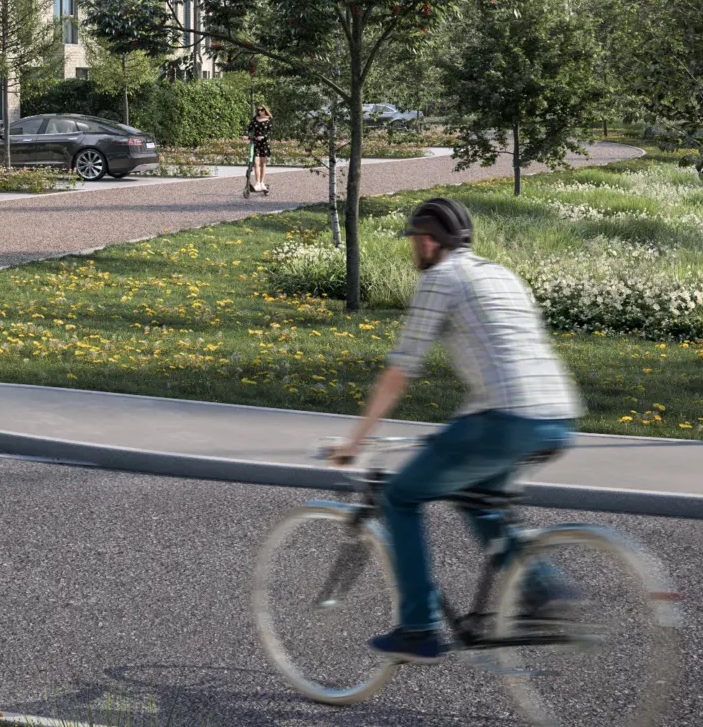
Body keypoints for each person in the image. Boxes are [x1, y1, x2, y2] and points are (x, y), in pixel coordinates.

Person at [325, 197, 582, 660]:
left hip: (504, 420)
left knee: (400, 496)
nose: (412, 251)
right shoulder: (502, 275)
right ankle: (543, 589)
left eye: (414, 241)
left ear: (428, 240)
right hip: (558, 416)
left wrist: (353, 442)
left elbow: (401, 370)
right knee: (478, 499)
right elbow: (502, 357)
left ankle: (418, 628)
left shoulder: (440, 279)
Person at [244, 102, 274, 196]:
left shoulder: (269, 120)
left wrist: (264, 136)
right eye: (258, 110)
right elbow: (249, 127)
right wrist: (245, 134)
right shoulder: (255, 119)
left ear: (265, 110)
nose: (259, 111)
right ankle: (257, 183)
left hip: (264, 143)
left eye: (261, 110)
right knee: (255, 163)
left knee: (263, 163)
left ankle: (262, 183)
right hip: (255, 142)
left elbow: (271, 132)